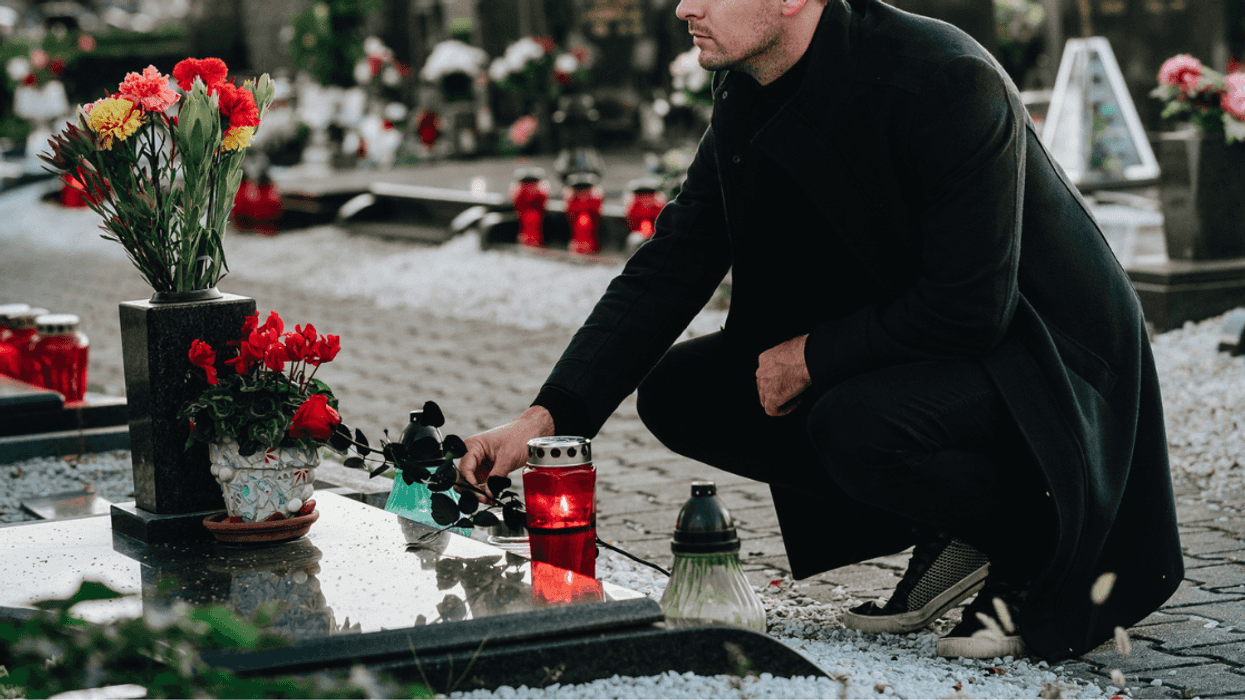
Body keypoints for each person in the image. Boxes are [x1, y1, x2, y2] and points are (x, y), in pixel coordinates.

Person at [459, 0, 1183, 660]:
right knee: (683, 393)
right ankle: (955, 522)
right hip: (931, 338)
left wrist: (814, 355)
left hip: (1047, 357)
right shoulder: (749, 89)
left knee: (855, 421)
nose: (684, 7)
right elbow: (672, 264)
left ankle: (1028, 541)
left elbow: (972, 305)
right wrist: (545, 419)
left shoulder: (945, 79)